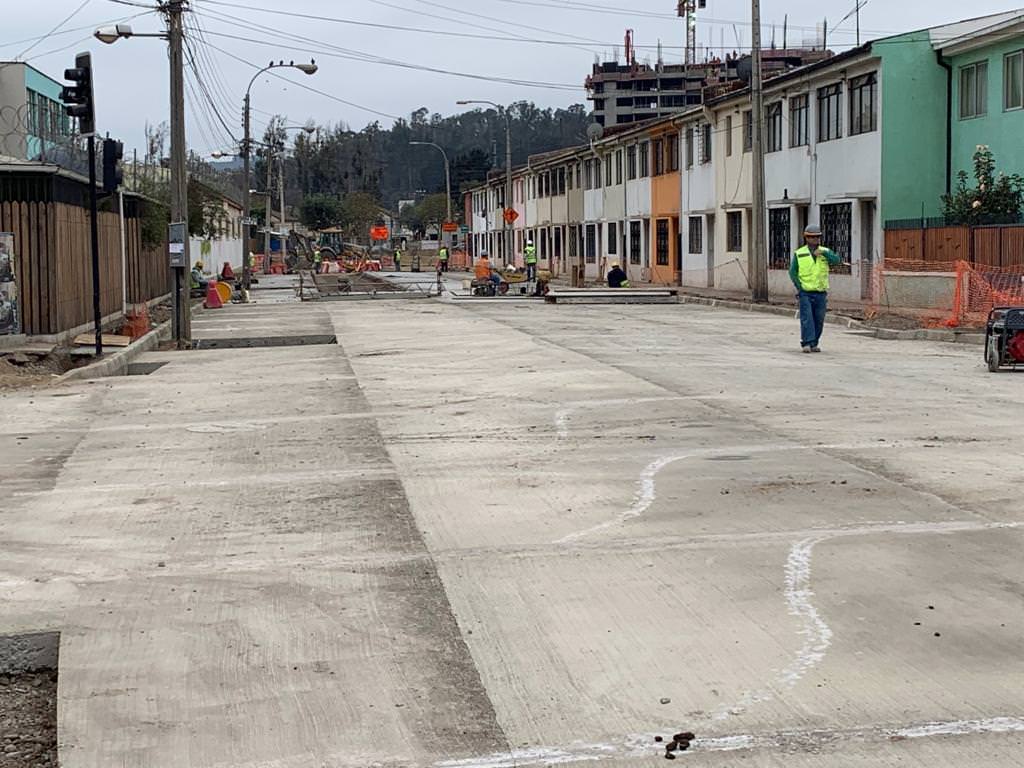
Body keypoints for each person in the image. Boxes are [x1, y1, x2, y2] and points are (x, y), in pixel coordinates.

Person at [790, 224, 842, 353]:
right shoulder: (800, 253)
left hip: (820, 292)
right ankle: (806, 342)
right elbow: (793, 272)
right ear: (806, 238)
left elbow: (836, 261)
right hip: (805, 292)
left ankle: (814, 343)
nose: (814, 240)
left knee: (819, 319)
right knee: (807, 318)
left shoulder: (825, 251)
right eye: (812, 237)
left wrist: (824, 253)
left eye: (817, 237)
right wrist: (799, 287)